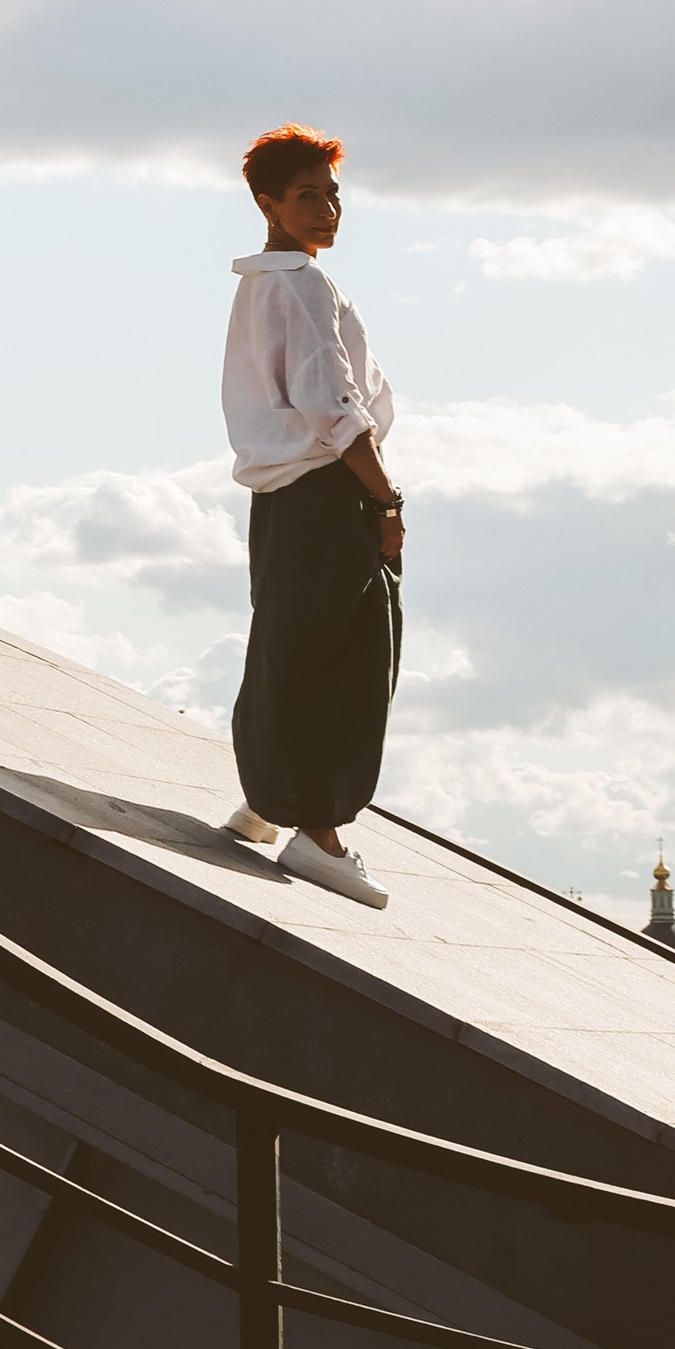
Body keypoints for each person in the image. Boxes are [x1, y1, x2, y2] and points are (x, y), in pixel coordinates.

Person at [219, 125, 403, 909]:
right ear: (268, 203)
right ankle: (319, 832)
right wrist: (385, 499)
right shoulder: (300, 282)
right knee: (355, 658)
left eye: (333, 196)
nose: (327, 210)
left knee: (288, 644)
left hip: (281, 499)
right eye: (307, 196)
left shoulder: (264, 281)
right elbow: (333, 405)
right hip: (329, 491)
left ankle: (267, 801)